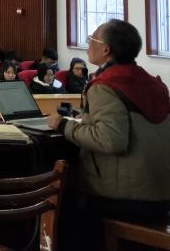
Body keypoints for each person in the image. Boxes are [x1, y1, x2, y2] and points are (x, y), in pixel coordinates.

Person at [47, 20, 170, 250]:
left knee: (64, 208)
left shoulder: (106, 84)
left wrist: (63, 126)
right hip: (160, 191)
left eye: (91, 39)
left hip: (125, 198)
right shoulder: (149, 81)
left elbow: (111, 140)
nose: (88, 44)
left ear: (105, 49)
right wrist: (84, 117)